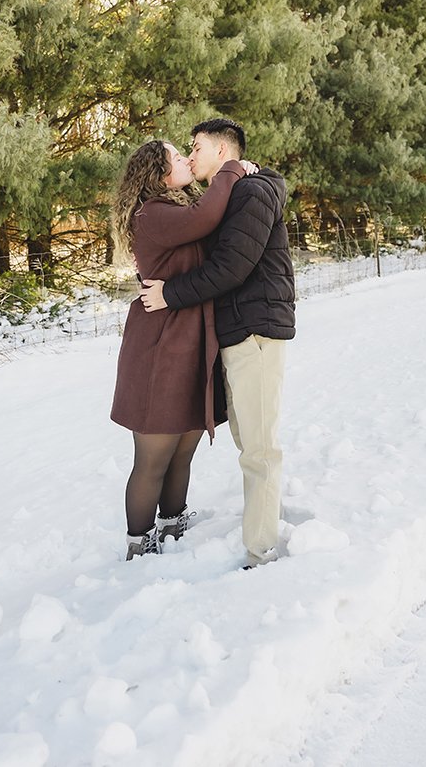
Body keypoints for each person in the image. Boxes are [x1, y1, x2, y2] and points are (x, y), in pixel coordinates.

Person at [140, 119, 295, 569]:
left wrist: (169, 294)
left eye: (197, 147)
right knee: (251, 439)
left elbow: (231, 267)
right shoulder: (232, 192)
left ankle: (260, 550)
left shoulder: (251, 192)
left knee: (259, 447)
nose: (191, 156)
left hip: (256, 329)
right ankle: (267, 525)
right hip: (240, 330)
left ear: (223, 151)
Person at [111, 139, 251, 560]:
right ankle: (139, 542)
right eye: (177, 156)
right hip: (160, 345)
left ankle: (173, 521)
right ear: (158, 174)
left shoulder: (173, 209)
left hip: (189, 337)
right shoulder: (152, 214)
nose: (186, 159)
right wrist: (232, 168)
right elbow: (205, 216)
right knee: (154, 453)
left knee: (185, 440)